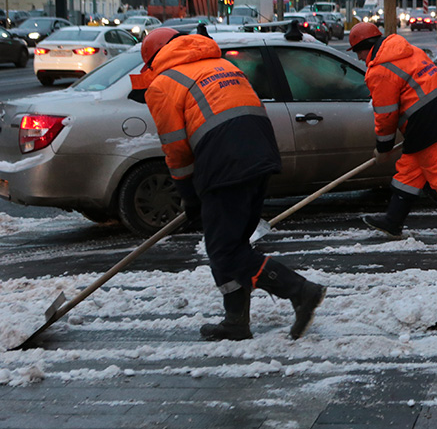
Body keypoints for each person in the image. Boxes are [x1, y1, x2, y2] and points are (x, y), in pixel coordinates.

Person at [131, 27, 326, 341]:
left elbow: (176, 148)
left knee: (224, 251)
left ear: (153, 60)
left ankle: (299, 290)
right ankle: (235, 320)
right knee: (231, 245)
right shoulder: (223, 66)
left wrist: (187, 195)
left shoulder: (163, 84)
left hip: (224, 160)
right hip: (260, 151)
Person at [349, 22, 437, 241]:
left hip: (429, 122)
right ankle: (393, 221)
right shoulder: (407, 50)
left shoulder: (380, 71)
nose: (359, 58)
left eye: (358, 52)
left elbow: (386, 115)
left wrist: (383, 147)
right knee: (409, 172)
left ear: (365, 47)